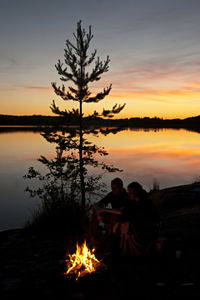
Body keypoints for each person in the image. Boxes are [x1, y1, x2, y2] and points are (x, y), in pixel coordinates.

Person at [115, 182, 160, 256]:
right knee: (125, 226)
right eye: (128, 192)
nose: (128, 194)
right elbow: (128, 211)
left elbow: (135, 217)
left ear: (135, 192)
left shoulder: (144, 203)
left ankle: (129, 252)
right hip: (144, 227)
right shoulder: (135, 202)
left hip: (148, 229)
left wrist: (119, 222)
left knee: (127, 226)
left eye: (130, 193)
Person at [87, 178, 129, 250]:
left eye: (115, 188)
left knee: (113, 215)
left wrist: (104, 209)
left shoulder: (125, 196)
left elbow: (121, 211)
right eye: (112, 187)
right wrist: (99, 211)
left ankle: (110, 239)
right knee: (95, 212)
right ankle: (94, 237)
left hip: (121, 216)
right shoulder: (111, 194)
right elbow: (100, 203)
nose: (113, 190)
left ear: (121, 187)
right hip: (112, 214)